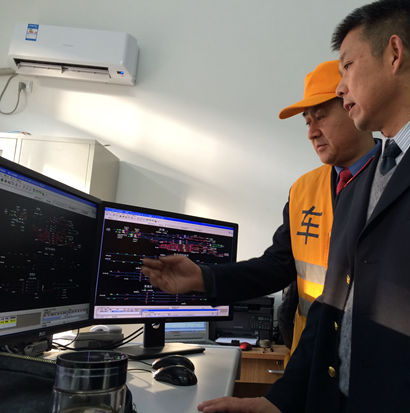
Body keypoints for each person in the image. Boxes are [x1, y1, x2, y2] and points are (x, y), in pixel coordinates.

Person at [198, 1, 410, 412]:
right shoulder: (357, 184)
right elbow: (331, 311)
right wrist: (280, 401)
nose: (341, 86)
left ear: (394, 54)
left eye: (347, 65)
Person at [141, 61, 377, 360]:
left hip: (372, 359)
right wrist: (203, 277)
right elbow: (277, 266)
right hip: (312, 357)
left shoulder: (399, 180)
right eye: (307, 122)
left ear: (353, 105)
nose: (311, 133)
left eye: (320, 117)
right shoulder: (304, 189)